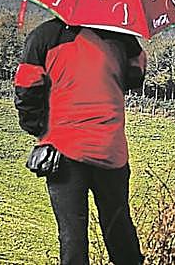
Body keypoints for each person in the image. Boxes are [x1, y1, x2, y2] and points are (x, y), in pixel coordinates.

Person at [14, 17, 148, 265]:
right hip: (112, 150)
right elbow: (136, 77)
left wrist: (38, 128)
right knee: (119, 227)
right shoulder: (124, 40)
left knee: (72, 235)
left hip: (63, 150)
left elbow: (26, 88)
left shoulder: (44, 36)